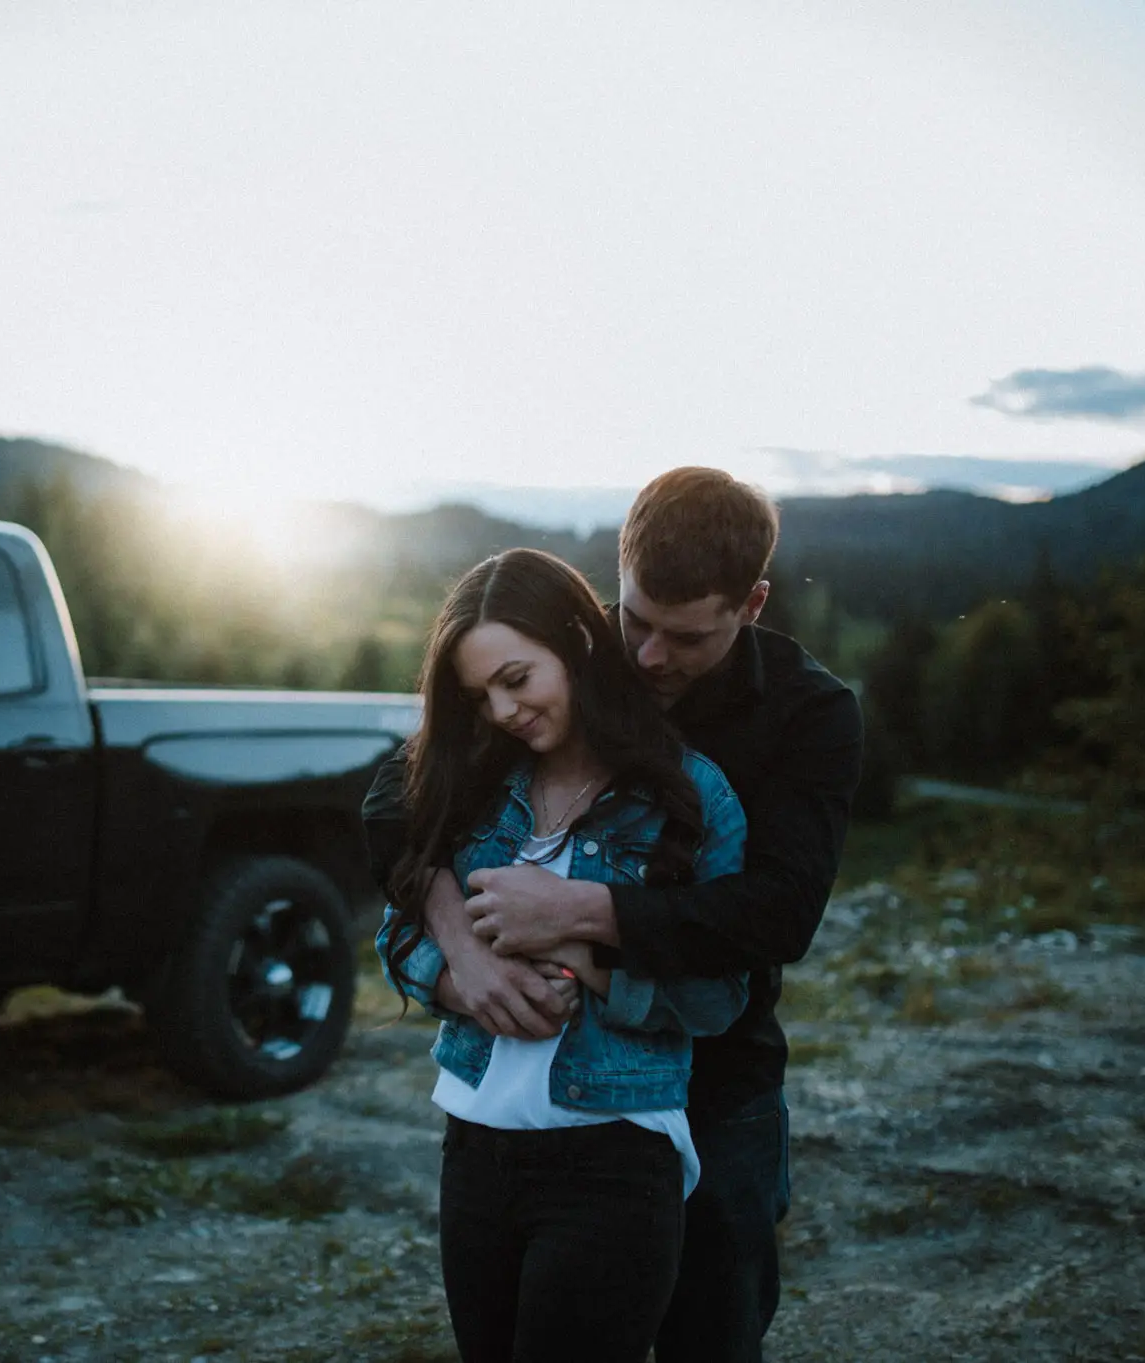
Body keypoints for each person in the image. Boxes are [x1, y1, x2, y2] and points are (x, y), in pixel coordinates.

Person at [364, 468, 863, 1363]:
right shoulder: (572, 672)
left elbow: (779, 914)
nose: (648, 657)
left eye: (684, 636)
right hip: (512, 1127)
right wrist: (455, 946)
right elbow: (392, 804)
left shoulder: (809, 712)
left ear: (750, 605)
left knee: (711, 1330)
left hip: (717, 1080)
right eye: (633, 619)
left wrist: (576, 914)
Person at [374, 546, 751, 1362]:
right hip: (473, 1147)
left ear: (579, 640)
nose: (503, 710)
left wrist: (587, 956)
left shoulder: (688, 797)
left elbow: (722, 997)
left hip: (612, 1156)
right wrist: (458, 976)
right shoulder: (475, 785)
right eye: (481, 696)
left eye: (517, 678)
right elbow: (395, 933)